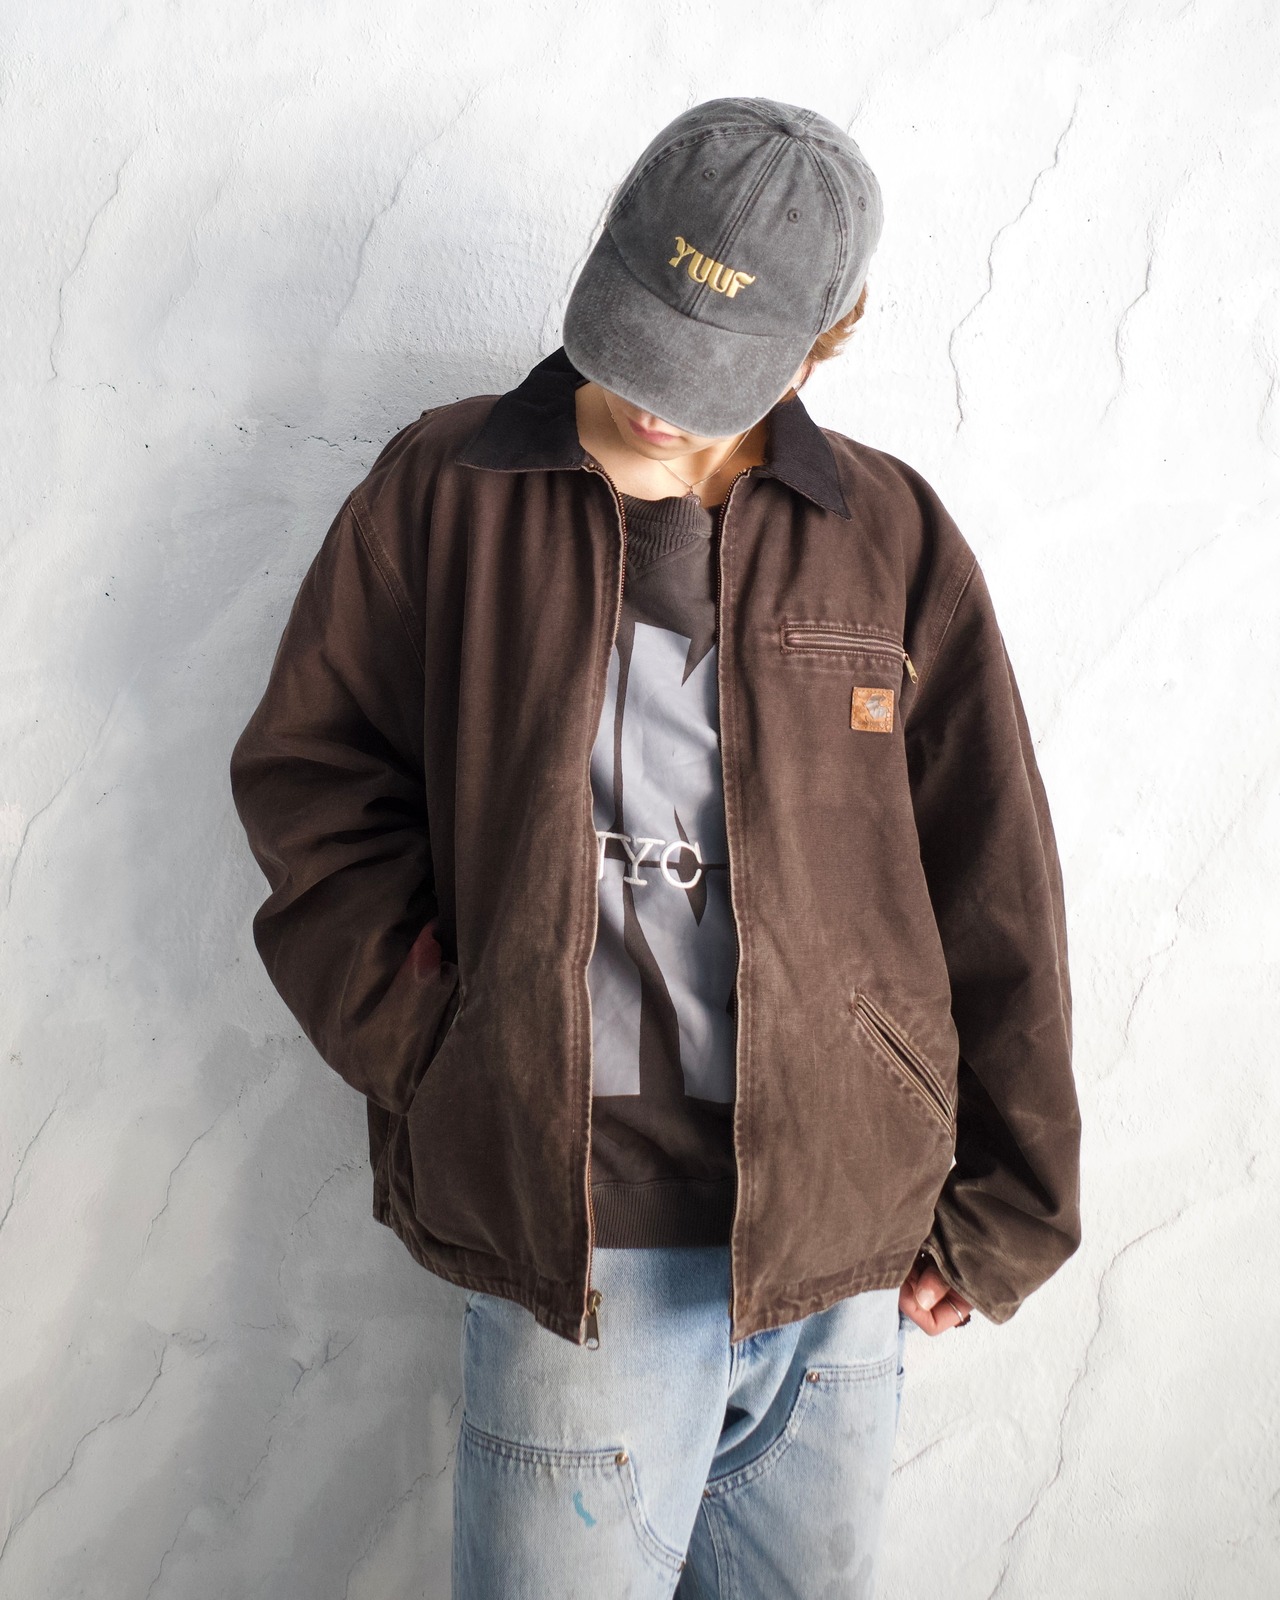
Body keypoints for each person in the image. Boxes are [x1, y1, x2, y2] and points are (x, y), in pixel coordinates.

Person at [229, 96, 1082, 1599]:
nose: (659, 404)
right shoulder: (448, 493)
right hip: (582, 1253)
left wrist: (1012, 1205)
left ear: (820, 347)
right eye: (638, 343)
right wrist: (448, 1047)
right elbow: (314, 784)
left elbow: (992, 875)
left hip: (842, 1249)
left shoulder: (888, 535)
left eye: (713, 372)